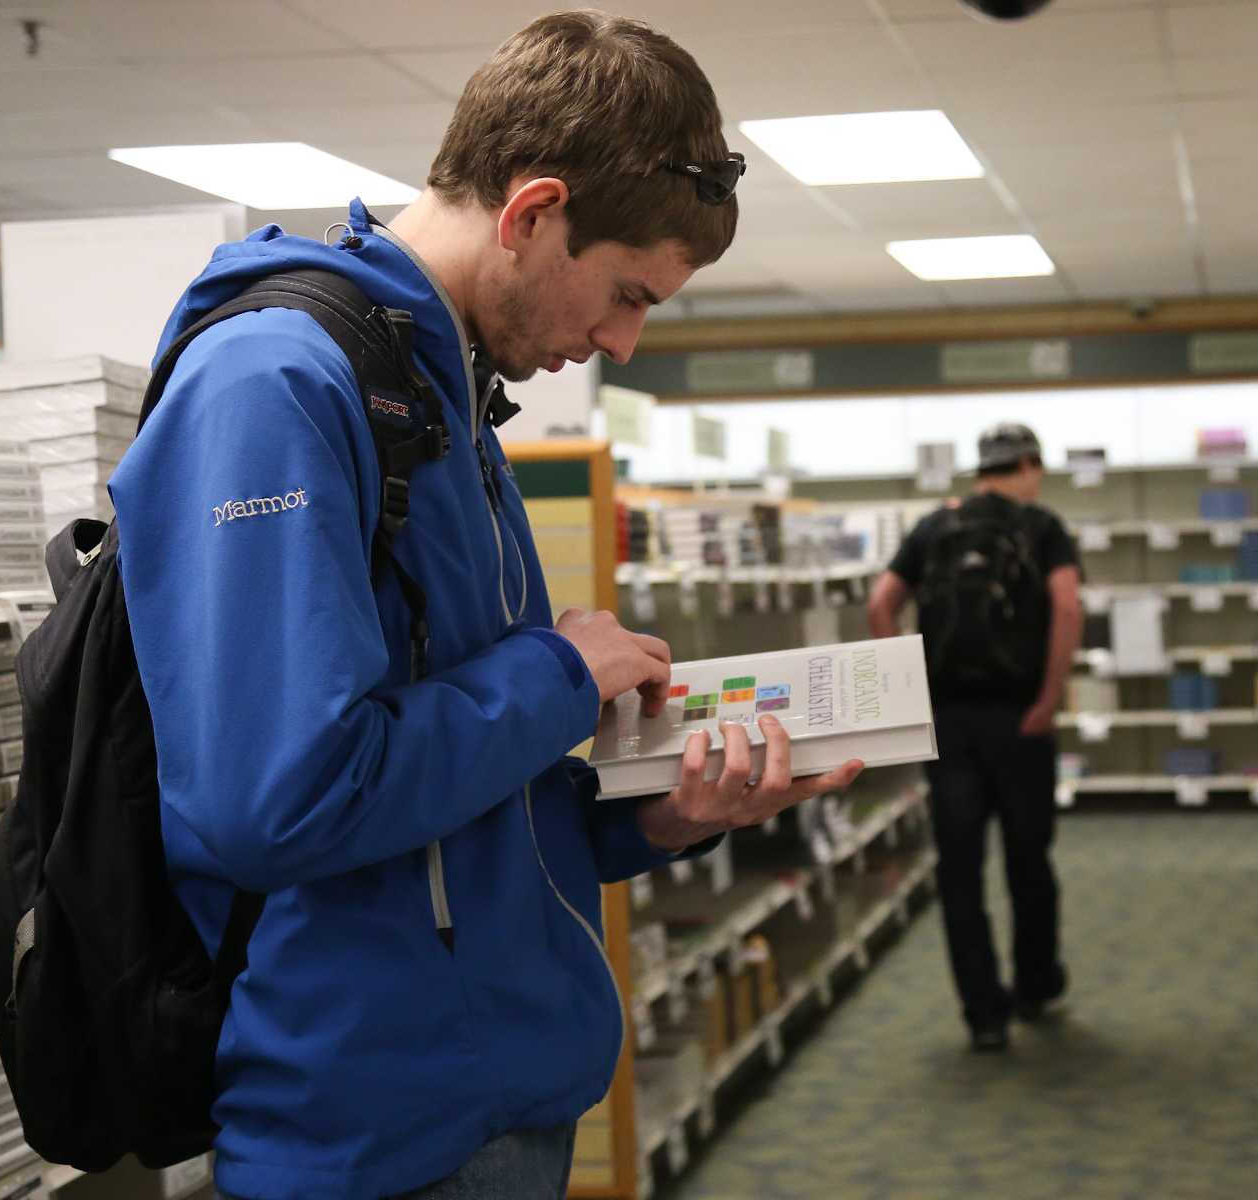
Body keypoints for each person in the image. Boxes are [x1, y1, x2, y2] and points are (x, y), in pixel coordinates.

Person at [109, 13, 861, 1200]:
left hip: (496, 1089)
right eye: (625, 294)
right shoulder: (276, 387)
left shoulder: (446, 397)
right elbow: (281, 802)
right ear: (531, 212)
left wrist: (655, 818)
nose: (618, 338)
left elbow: (463, 793)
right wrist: (561, 675)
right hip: (371, 1125)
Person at [866, 423, 1083, 1051]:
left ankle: (983, 1015)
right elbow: (1067, 608)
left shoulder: (935, 526)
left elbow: (882, 602)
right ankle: (1036, 986)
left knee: (960, 872)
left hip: (948, 724)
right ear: (1028, 464)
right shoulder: (1043, 527)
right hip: (1022, 719)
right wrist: (1049, 698)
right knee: (1029, 860)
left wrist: (908, 694)